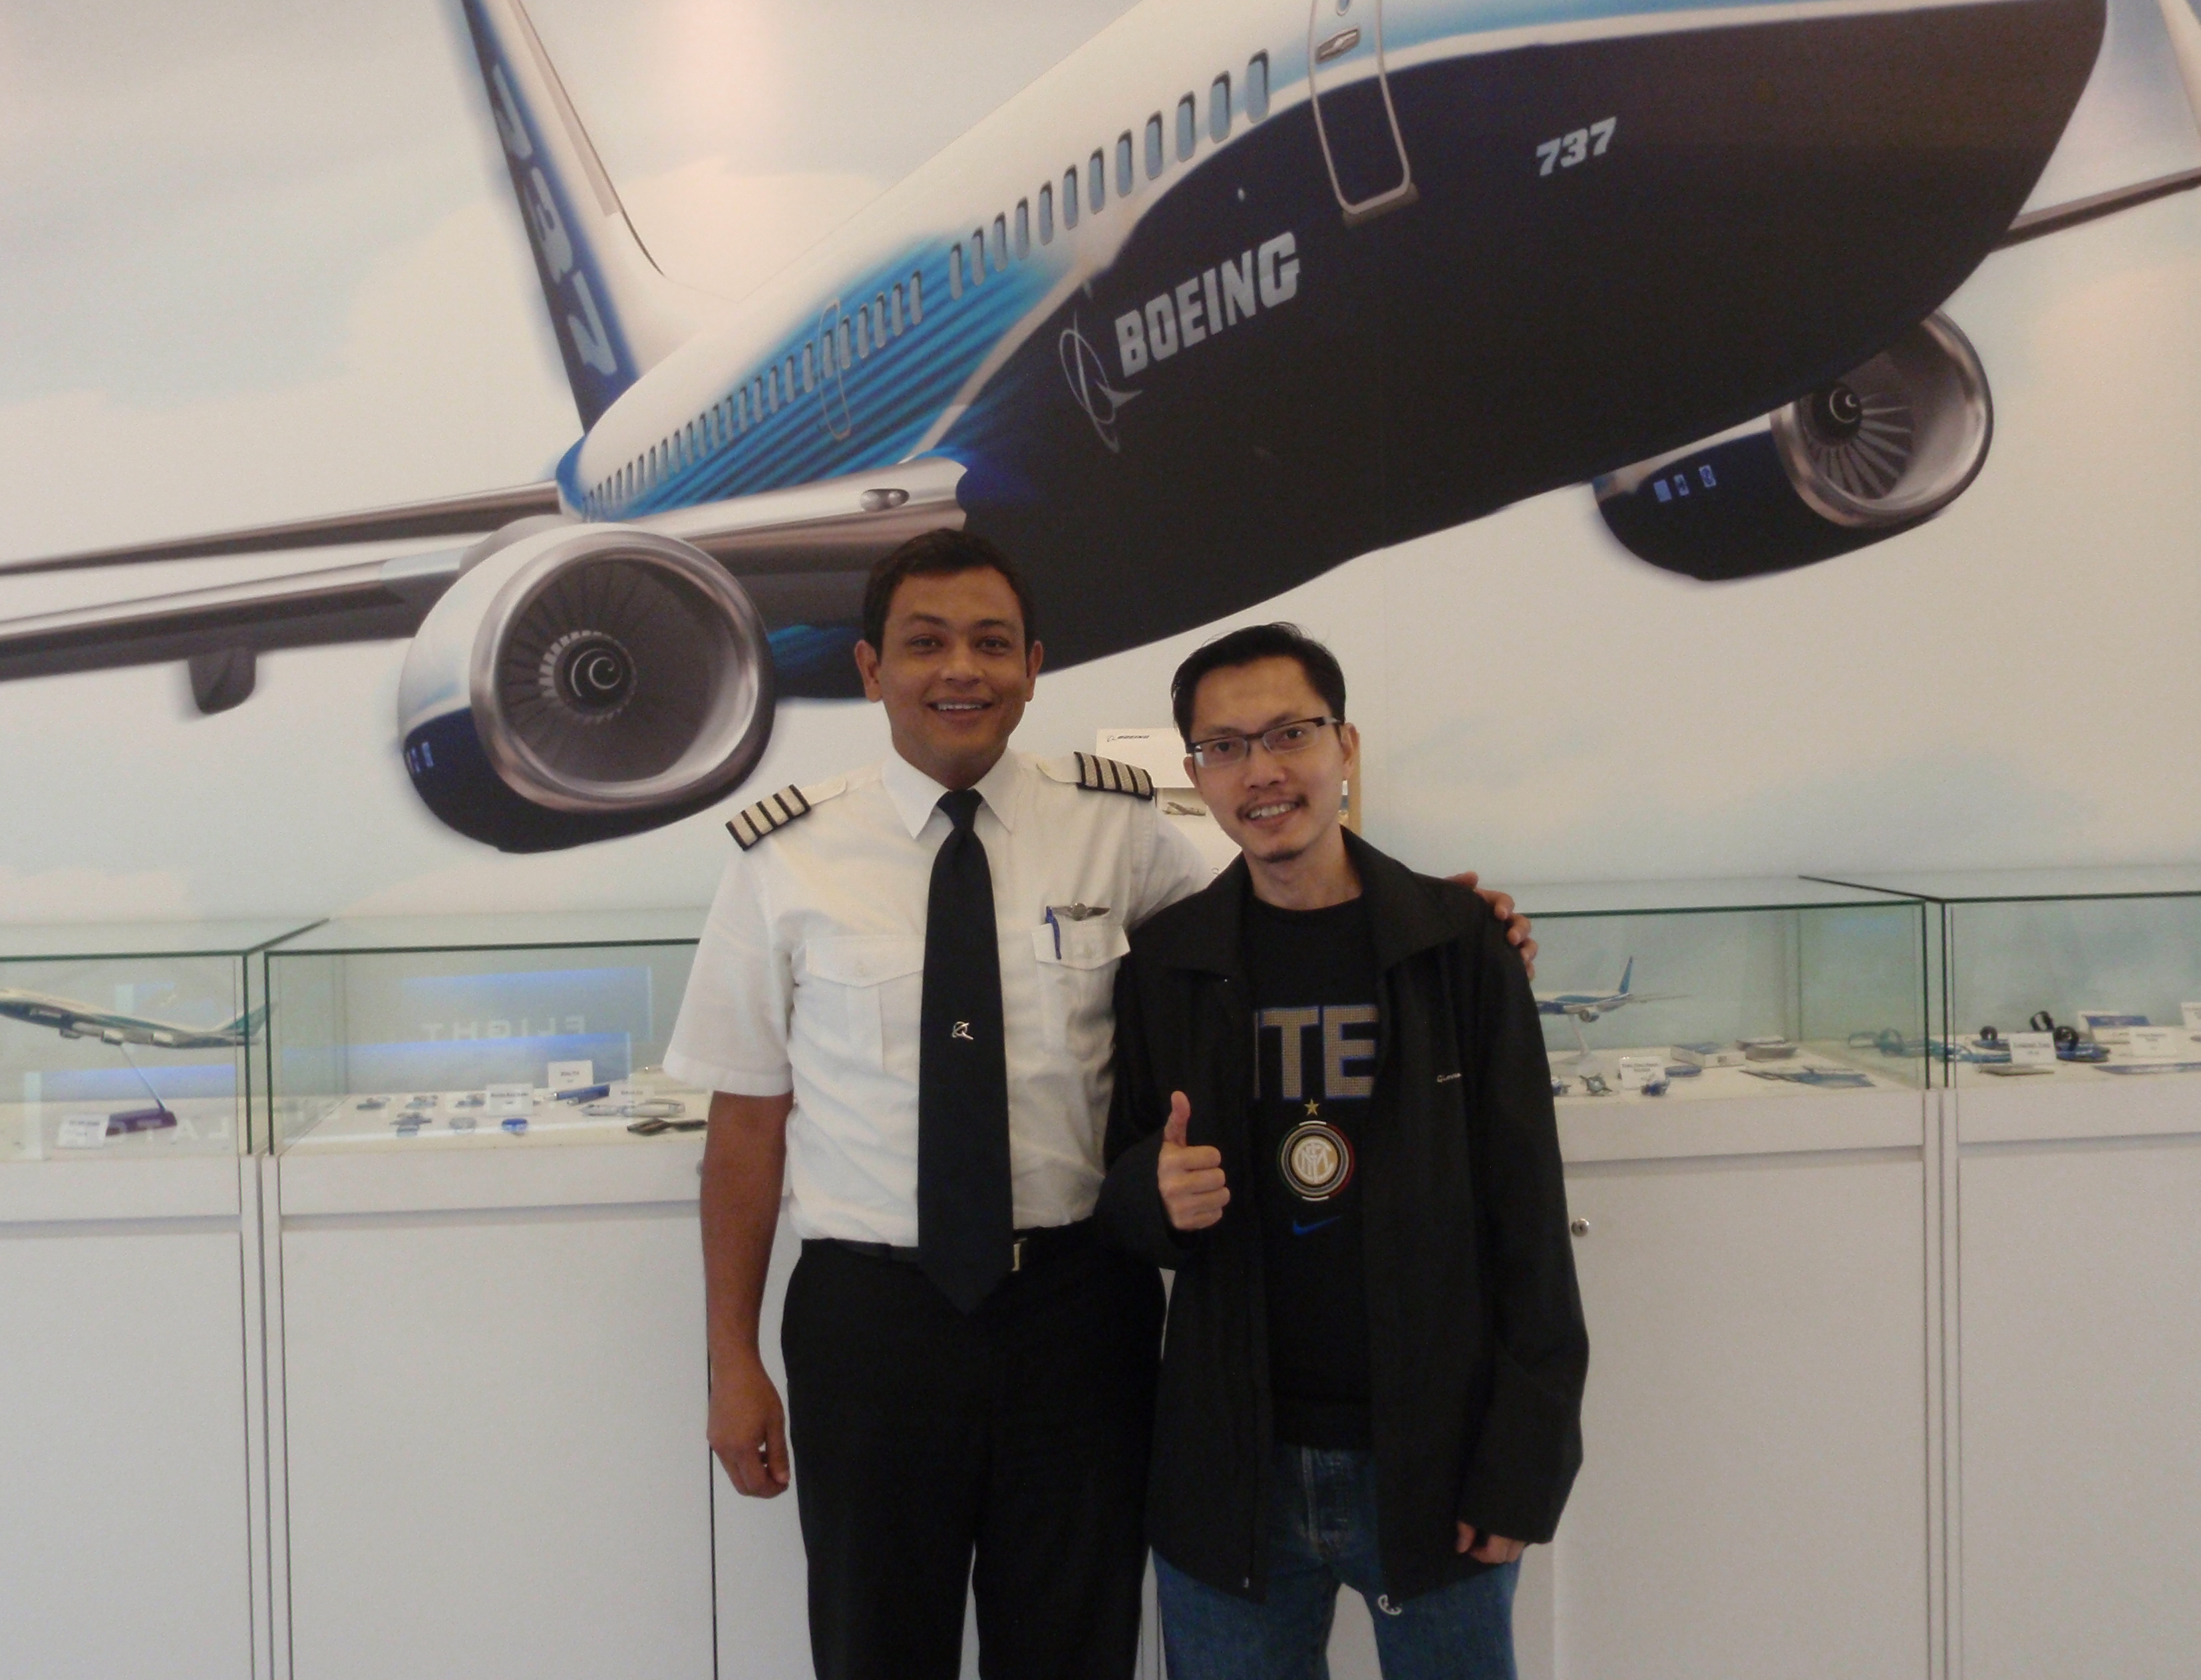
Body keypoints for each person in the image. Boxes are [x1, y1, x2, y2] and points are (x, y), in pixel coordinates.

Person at [665, 532, 1535, 1680]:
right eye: (926, 643)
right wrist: (731, 1361)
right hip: (871, 1327)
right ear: (871, 668)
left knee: (1076, 1647)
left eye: (992, 643)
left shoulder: (1117, 827)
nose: (960, 669)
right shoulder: (785, 857)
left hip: (1076, 1317)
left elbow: (1282, 908)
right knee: (874, 1647)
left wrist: (1442, 922)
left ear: (1034, 667)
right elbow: (745, 1127)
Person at [1095, 622, 1586, 1680]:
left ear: (1345, 745)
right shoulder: (1166, 964)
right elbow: (1120, 1191)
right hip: (1234, 1467)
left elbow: (1530, 1219)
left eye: (1291, 734)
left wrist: (1524, 1462)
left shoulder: (1456, 947)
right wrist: (1153, 1194)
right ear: (1196, 774)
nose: (1262, 771)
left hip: (1437, 1455)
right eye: (1225, 748)